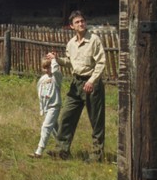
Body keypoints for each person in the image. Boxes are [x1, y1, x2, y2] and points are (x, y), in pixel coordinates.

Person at [48, 10, 107, 161]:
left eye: (82, 21)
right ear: (71, 26)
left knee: (96, 120)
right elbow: (70, 62)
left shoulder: (94, 40)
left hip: (91, 83)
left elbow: (101, 63)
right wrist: (58, 59)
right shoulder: (71, 44)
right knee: (67, 115)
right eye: (77, 22)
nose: (81, 24)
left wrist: (91, 81)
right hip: (76, 83)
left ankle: (97, 154)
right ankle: (62, 150)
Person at [30, 55, 62, 158]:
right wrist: (42, 108)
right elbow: (40, 92)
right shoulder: (42, 79)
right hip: (46, 107)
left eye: (49, 67)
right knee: (54, 129)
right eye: (45, 68)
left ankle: (38, 152)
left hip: (54, 106)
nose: (47, 70)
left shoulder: (56, 77)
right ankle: (62, 148)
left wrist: (53, 60)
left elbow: (56, 70)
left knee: (46, 127)